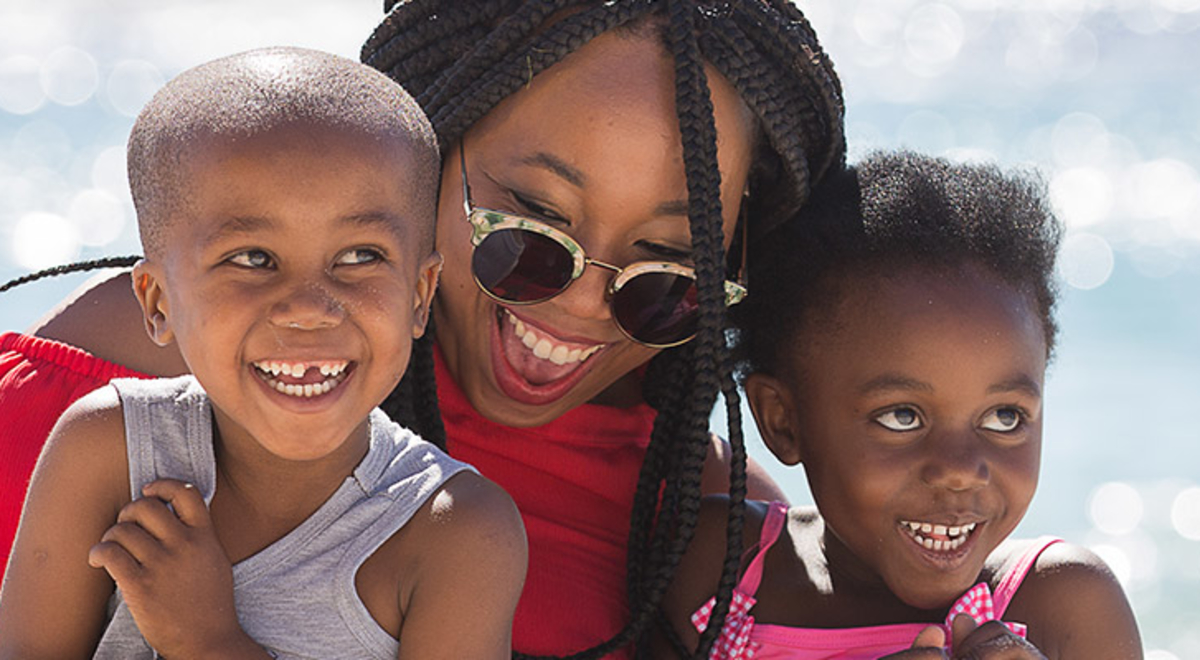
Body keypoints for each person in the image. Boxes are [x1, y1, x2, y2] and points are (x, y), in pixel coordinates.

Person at [0, 1, 846, 656]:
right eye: (532, 232)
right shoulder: (114, 388)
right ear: (432, 154)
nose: (582, 306)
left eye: (664, 271)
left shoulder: (702, 533)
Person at [0, 46, 527, 660]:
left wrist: (207, 641)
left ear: (420, 294)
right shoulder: (107, 450)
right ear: (157, 302)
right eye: (253, 259)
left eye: (359, 256)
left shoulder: (453, 531)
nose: (308, 307)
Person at [657, 151, 1144, 659]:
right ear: (784, 421)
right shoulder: (720, 568)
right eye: (902, 417)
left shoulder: (1063, 605)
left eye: (1005, 417)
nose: (959, 470)